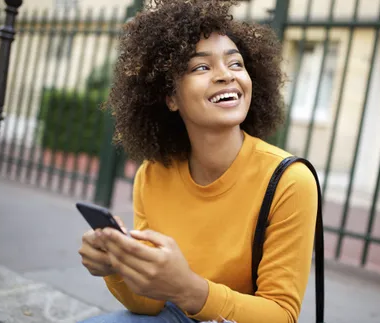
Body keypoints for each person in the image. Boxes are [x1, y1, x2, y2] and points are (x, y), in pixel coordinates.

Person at [77, 0, 318, 322]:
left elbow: (282, 315)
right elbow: (148, 306)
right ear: (171, 98)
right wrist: (117, 267)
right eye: (201, 67)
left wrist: (189, 289)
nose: (225, 76)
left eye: (235, 64)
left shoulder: (290, 181)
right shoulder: (152, 174)